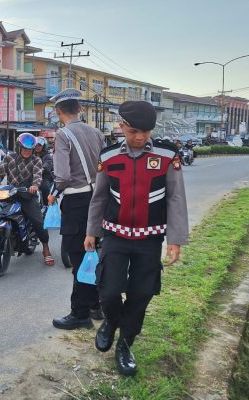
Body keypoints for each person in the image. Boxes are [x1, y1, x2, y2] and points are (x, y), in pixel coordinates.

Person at [85, 101, 189, 376]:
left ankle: (125, 345)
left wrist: (175, 239)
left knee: (141, 294)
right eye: (133, 131)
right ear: (121, 128)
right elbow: (99, 197)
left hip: (149, 238)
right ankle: (110, 321)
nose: (140, 137)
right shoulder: (108, 157)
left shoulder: (167, 155)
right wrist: (91, 231)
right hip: (115, 235)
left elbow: (176, 198)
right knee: (108, 290)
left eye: (145, 131)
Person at [49, 88, 106, 331]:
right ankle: (95, 305)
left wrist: (54, 191)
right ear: (80, 109)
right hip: (98, 198)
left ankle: (79, 313)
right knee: (93, 252)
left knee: (79, 257)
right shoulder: (97, 132)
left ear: (58, 112)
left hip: (76, 201)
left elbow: (61, 176)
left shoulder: (63, 135)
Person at [0, 133, 55, 266]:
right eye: (25, 149)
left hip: (27, 194)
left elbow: (38, 176)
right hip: (10, 193)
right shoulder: (9, 158)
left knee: (37, 220)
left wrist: (34, 186)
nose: (28, 152)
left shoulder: (36, 160)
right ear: (19, 147)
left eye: (30, 149)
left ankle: (46, 248)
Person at [35, 136, 53, 205]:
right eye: (36, 145)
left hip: (43, 178)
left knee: (44, 187)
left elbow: (47, 166)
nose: (37, 147)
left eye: (39, 145)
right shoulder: (32, 155)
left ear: (44, 146)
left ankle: (47, 205)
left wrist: (41, 169)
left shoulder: (47, 156)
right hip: (32, 177)